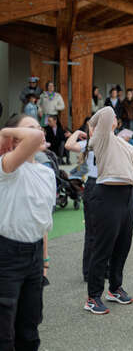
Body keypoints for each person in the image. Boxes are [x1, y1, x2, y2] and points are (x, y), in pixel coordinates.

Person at [0, 114, 55, 350]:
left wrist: (44, 260)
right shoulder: (7, 166)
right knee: (4, 332)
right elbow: (33, 138)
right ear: (14, 138)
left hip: (34, 254)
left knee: (30, 327)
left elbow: (42, 221)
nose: (39, 132)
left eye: (39, 127)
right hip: (7, 255)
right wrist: (5, 133)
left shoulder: (47, 173)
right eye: (30, 128)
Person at [84, 106, 133, 315]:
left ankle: (115, 288)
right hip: (107, 193)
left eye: (116, 116)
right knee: (103, 248)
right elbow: (106, 111)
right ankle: (93, 297)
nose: (114, 117)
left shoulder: (122, 143)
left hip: (127, 195)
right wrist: (92, 124)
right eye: (113, 117)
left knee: (123, 246)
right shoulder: (101, 137)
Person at [65, 127, 98, 282]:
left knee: (107, 232)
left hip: (109, 184)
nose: (95, 130)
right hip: (93, 184)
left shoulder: (111, 141)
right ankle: (88, 271)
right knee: (91, 231)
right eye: (92, 128)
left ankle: (104, 268)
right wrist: (78, 133)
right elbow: (68, 145)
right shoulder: (88, 144)